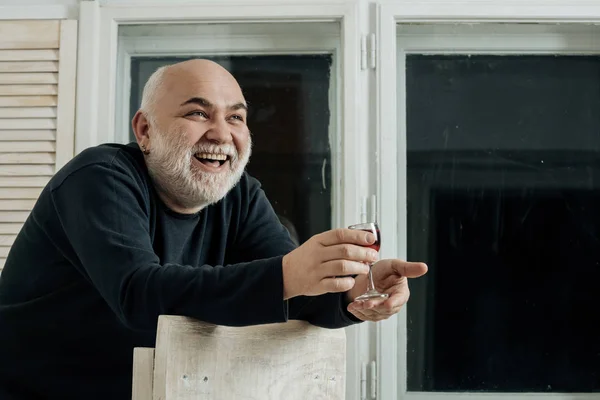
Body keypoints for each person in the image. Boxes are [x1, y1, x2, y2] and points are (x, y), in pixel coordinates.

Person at [0, 59, 427, 399]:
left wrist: (350, 291)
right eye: (198, 112)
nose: (221, 133)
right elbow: (138, 293)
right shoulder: (99, 177)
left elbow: (292, 294)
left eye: (236, 118)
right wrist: (289, 275)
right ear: (145, 130)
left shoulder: (240, 196)